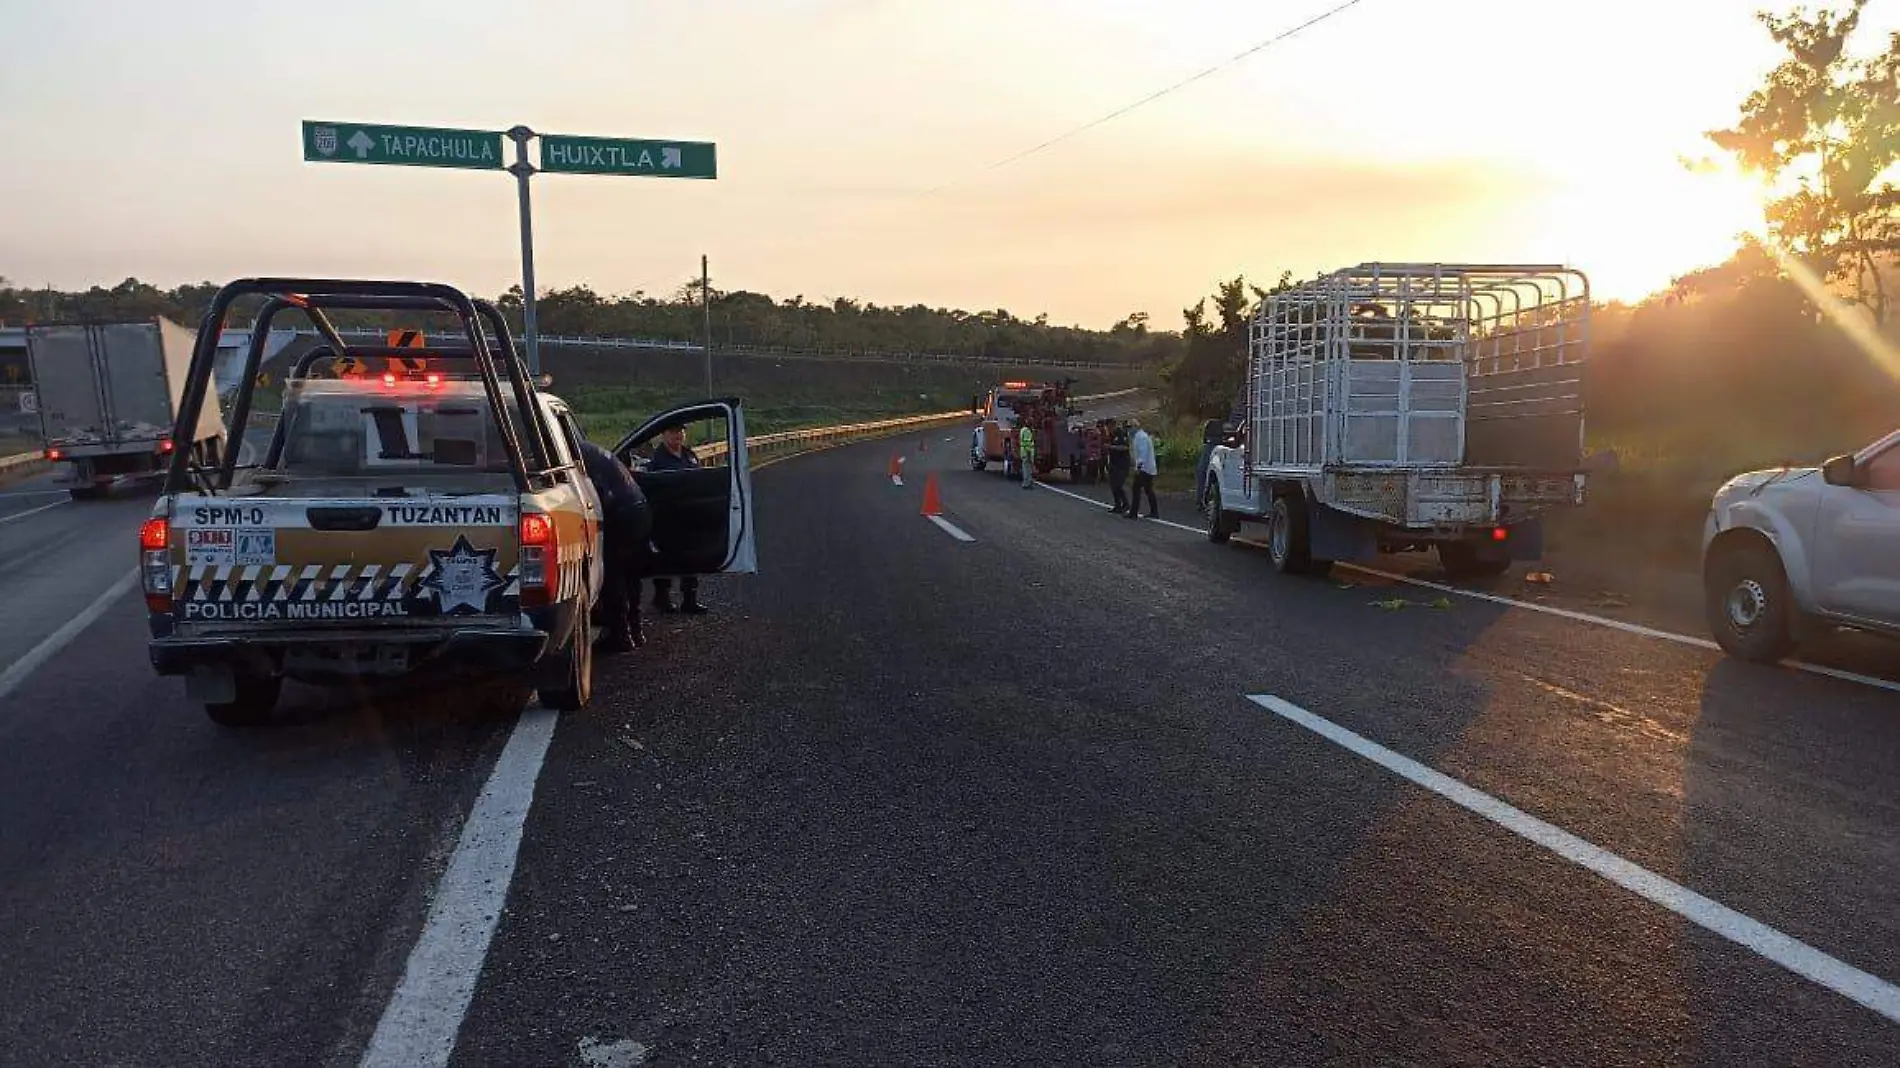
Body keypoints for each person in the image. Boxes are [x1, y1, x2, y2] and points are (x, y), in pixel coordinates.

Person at [577, 438, 653, 654]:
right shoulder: (595, 450)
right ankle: (636, 630)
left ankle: (621, 635)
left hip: (621, 514)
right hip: (639, 508)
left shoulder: (575, 455)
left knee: (613, 574)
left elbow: (598, 495)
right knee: (631, 572)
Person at [647, 425, 709, 614]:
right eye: (673, 431)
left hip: (689, 515)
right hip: (666, 517)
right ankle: (662, 598)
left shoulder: (689, 454)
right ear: (663, 434)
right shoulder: (657, 459)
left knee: (691, 558)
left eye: (681, 431)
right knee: (666, 559)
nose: (678, 435)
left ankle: (690, 599)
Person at [1127, 418, 1158, 520]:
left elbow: (1143, 453)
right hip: (1147, 467)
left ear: (1135, 427)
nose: (1129, 430)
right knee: (1148, 489)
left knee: (1136, 488)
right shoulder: (1138, 437)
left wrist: (1139, 466)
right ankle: (1154, 511)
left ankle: (1133, 513)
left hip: (1145, 468)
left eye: (1130, 427)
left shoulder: (1141, 437)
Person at [1104, 418, 1131, 514]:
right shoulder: (1110, 435)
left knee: (1118, 485)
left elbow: (1125, 447)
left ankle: (1126, 504)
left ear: (1113, 425)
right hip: (1113, 463)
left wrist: (1111, 447)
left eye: (1108, 427)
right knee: (1113, 486)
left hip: (1122, 464)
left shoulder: (1120, 433)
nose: (1107, 429)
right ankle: (1117, 505)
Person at [1017, 422, 1036, 489]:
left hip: (1023, 451)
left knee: (1025, 467)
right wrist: (1029, 453)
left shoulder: (1022, 430)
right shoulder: (1027, 431)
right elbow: (1027, 442)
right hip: (1027, 452)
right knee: (1027, 468)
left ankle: (1028, 482)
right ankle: (1027, 483)